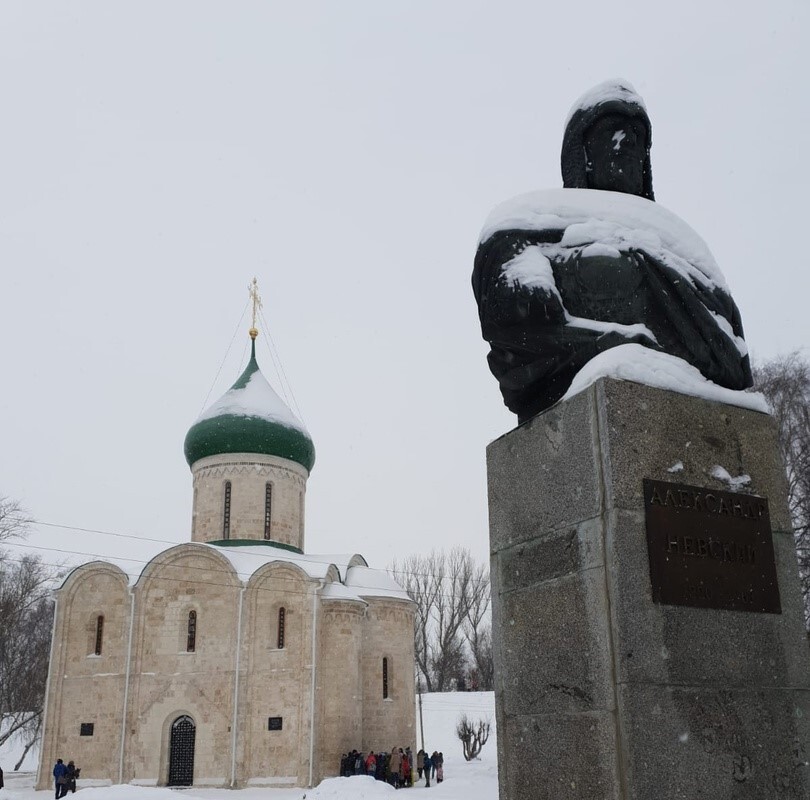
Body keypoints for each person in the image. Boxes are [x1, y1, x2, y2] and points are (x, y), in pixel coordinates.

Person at [472, 79, 752, 423]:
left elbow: (733, 362)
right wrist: (619, 343)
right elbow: (523, 331)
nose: (628, 141)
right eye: (612, 130)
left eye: (637, 133)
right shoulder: (522, 227)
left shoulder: (687, 247)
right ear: (583, 154)